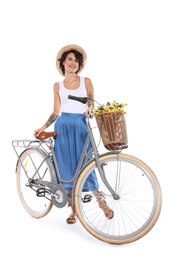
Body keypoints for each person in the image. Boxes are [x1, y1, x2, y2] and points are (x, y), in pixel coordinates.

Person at [34, 44, 113, 224]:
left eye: (76, 60)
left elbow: (91, 103)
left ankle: (102, 204)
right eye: (70, 59)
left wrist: (88, 110)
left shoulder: (86, 81)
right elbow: (56, 111)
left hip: (80, 126)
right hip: (63, 127)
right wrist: (43, 126)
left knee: (87, 167)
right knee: (66, 169)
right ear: (62, 62)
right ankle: (73, 211)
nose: (73, 63)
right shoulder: (57, 85)